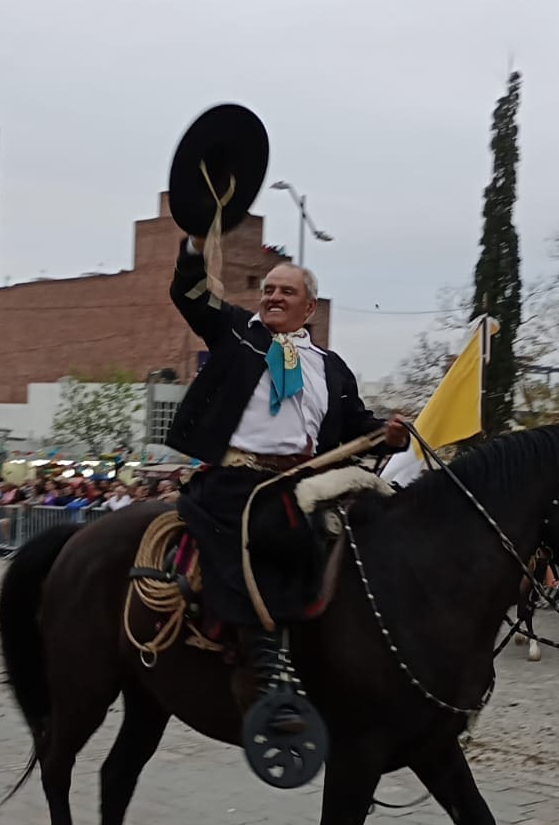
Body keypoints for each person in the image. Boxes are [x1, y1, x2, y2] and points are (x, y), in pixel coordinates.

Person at [168, 232, 405, 740]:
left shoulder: (331, 368)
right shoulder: (236, 332)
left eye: (286, 291)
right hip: (237, 479)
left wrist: (388, 435)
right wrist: (192, 250)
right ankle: (265, 663)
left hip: (303, 479)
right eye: (268, 289)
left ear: (310, 306)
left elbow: (357, 427)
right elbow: (191, 295)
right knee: (283, 530)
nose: (273, 297)